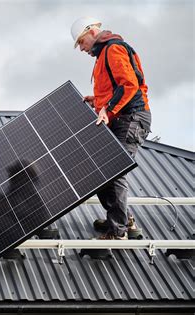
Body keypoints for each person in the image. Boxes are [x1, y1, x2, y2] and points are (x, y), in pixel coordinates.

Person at [71, 17, 152, 240]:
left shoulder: (113, 48)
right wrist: (97, 101)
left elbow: (128, 85)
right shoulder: (102, 55)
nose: (81, 49)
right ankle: (123, 218)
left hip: (131, 118)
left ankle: (118, 230)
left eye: (81, 42)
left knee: (114, 170)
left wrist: (107, 109)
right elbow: (113, 88)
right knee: (100, 171)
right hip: (120, 118)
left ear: (91, 32)